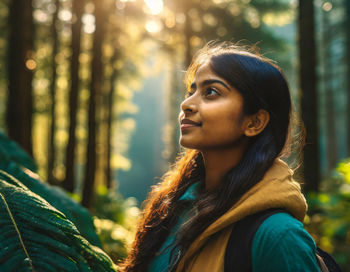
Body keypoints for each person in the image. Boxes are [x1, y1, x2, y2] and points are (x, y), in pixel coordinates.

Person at [120, 42, 320, 272]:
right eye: (191, 91)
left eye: (211, 92)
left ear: (254, 122)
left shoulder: (278, 237)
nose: (187, 104)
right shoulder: (172, 207)